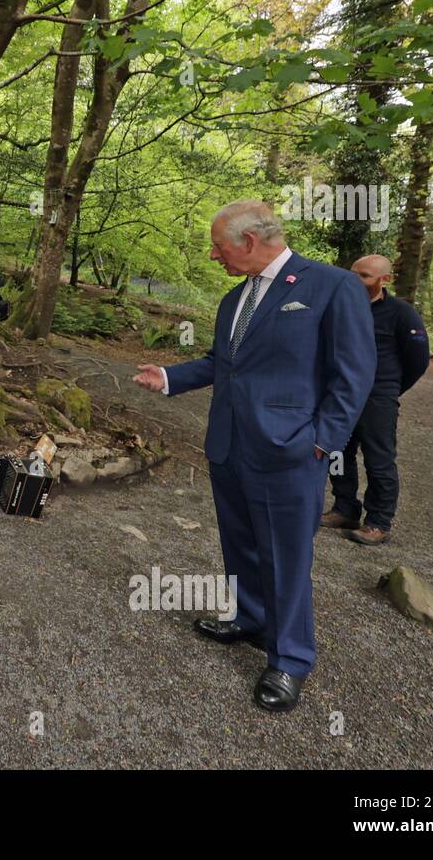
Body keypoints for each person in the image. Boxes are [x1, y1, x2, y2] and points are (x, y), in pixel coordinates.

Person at [132, 200, 374, 713]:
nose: (214, 255)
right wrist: (170, 377)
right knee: (239, 541)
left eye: (219, 246)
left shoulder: (331, 286)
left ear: (248, 241)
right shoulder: (233, 298)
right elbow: (224, 363)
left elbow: (353, 376)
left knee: (285, 557)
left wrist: (320, 441)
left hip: (290, 451)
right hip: (230, 444)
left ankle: (289, 659)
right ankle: (250, 618)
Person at [320, 255, 430, 545]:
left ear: (385, 280)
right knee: (338, 454)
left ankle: (378, 521)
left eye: (365, 276)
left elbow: (417, 361)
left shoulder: (401, 314)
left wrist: (389, 389)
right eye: (353, 273)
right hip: (342, 393)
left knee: (379, 460)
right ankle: (345, 507)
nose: (356, 280)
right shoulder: (340, 306)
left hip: (377, 397)